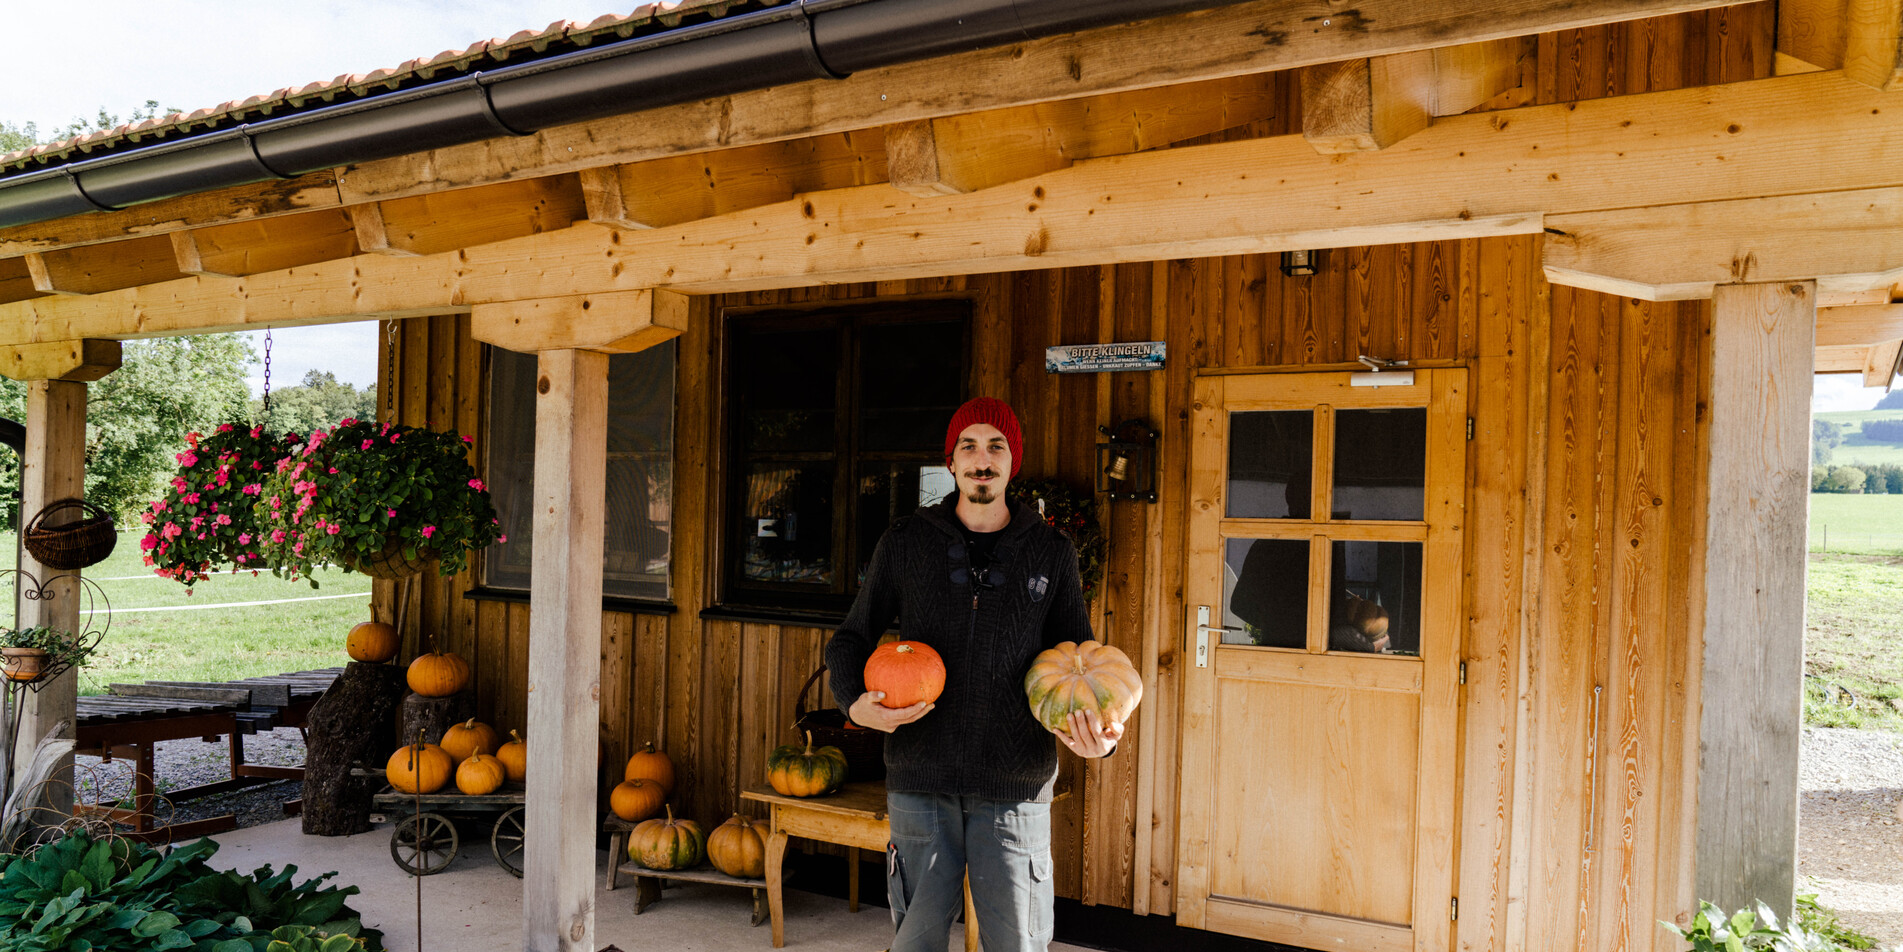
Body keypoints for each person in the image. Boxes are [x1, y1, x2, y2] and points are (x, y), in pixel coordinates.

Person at [825, 396, 1121, 952]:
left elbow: (1081, 662)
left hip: (1015, 788)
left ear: (1013, 461)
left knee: (1018, 945)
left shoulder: (1050, 552)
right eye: (970, 446)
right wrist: (853, 704)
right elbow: (850, 639)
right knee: (914, 944)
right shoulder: (906, 541)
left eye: (996, 446)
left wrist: (1099, 736)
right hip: (920, 777)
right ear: (952, 460)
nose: (982, 459)